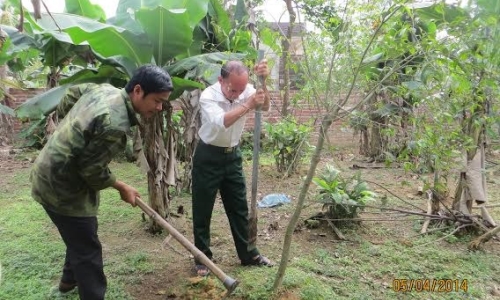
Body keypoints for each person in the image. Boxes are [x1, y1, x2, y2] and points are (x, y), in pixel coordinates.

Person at [30, 65, 174, 299]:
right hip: (61, 186)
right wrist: (121, 186)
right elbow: (91, 171)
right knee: (87, 250)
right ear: (138, 90)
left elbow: (72, 94)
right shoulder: (114, 124)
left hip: (50, 171)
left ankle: (68, 281)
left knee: (80, 233)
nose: (159, 108)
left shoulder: (104, 90)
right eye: (157, 101)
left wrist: (72, 129)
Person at [192, 60, 273, 276]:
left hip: (233, 156)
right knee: (202, 208)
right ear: (221, 80)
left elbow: (264, 105)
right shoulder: (208, 95)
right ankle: (202, 258)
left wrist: (264, 84)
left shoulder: (246, 90)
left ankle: (248, 254)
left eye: (242, 89)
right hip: (208, 156)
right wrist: (247, 103)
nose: (238, 93)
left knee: (239, 208)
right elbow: (221, 121)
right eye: (233, 89)